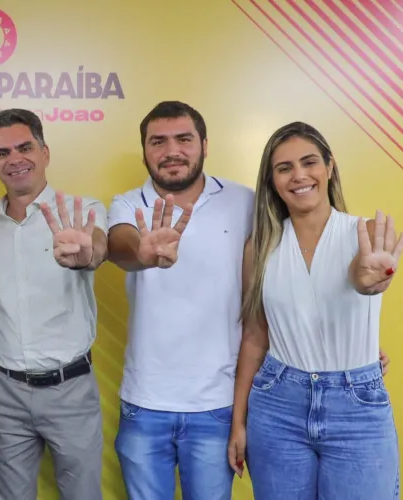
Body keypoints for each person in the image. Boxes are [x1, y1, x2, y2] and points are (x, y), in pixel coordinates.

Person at [227, 122, 403, 499]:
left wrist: (371, 279)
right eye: (284, 167)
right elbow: (255, 337)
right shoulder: (259, 247)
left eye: (309, 162)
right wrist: (238, 423)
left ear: (330, 166)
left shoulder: (365, 234)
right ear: (272, 180)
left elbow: (363, 278)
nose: (299, 175)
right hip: (276, 405)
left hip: (356, 407)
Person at [106, 101, 255, 500]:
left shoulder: (246, 202)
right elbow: (118, 244)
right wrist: (142, 252)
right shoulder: (126, 204)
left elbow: (282, 279)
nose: (171, 151)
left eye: (184, 139)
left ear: (205, 144)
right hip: (144, 404)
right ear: (144, 151)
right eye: (158, 141)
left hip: (217, 405)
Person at [0, 108, 108, 500]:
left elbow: (97, 248)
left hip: (70, 389)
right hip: (6, 392)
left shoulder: (83, 212)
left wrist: (86, 254)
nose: (14, 159)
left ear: (45, 152)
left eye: (25, 147)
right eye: (2, 152)